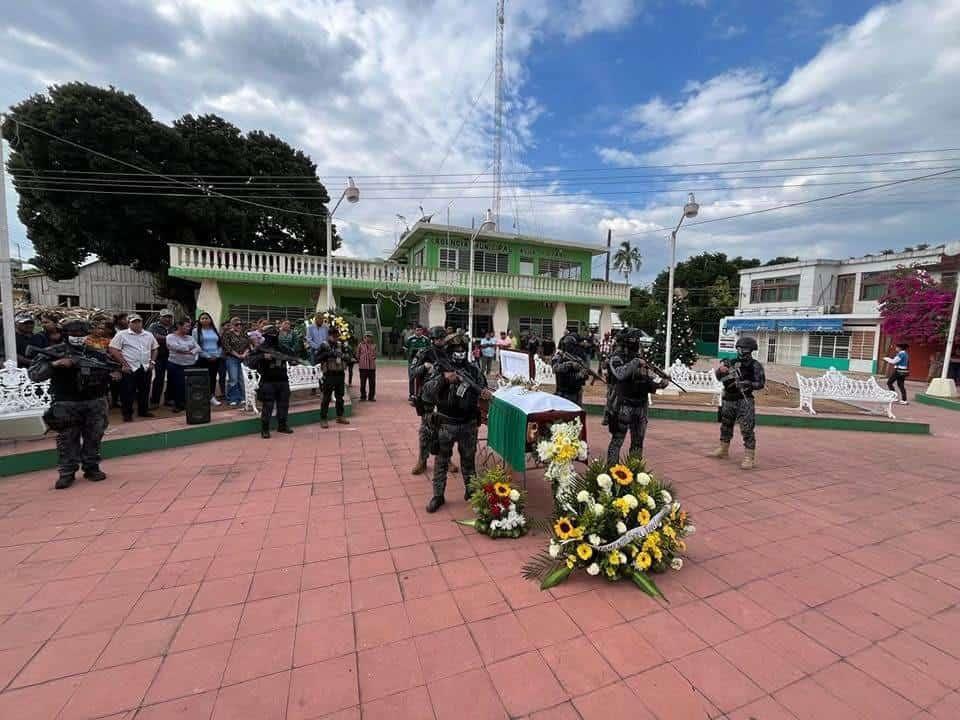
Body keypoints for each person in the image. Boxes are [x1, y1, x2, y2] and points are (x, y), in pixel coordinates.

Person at [28, 318, 119, 489]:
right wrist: (55, 364)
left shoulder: (95, 353)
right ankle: (67, 472)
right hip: (66, 403)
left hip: (94, 402)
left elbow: (108, 371)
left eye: (82, 334)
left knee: (94, 437)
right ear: (65, 334)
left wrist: (113, 375)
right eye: (73, 334)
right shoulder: (52, 352)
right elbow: (34, 374)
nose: (78, 337)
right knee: (67, 438)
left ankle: (91, 467)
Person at [421, 333, 492, 513]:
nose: (459, 353)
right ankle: (438, 495)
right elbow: (426, 391)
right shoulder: (440, 368)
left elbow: (482, 387)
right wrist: (444, 379)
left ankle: (472, 493)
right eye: (455, 349)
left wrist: (483, 393)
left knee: (468, 461)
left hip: (468, 423)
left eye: (462, 350)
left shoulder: (473, 369)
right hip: (446, 423)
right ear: (449, 350)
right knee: (442, 461)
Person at [605, 329, 669, 464]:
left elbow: (644, 381)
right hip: (623, 405)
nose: (637, 343)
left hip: (640, 405)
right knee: (617, 441)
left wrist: (659, 385)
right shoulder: (616, 357)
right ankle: (611, 473)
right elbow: (620, 374)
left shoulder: (640, 358)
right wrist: (635, 362)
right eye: (635, 340)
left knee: (638, 442)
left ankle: (634, 472)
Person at [710, 336, 766, 470]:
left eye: (744, 348)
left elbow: (761, 383)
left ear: (750, 350)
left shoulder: (755, 365)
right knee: (726, 424)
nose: (741, 351)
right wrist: (720, 371)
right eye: (739, 348)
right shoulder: (731, 362)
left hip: (744, 399)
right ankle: (723, 449)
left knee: (746, 427)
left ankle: (749, 456)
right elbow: (719, 378)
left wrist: (748, 383)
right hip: (729, 398)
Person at [410, 327, 459, 476]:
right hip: (428, 396)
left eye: (442, 338)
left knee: (446, 430)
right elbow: (412, 372)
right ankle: (422, 461)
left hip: (446, 396)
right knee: (426, 430)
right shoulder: (424, 353)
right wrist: (424, 367)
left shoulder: (449, 353)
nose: (440, 341)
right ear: (432, 339)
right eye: (437, 339)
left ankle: (447, 460)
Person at [245, 324, 295, 438]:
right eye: (270, 334)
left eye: (275, 334)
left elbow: (293, 357)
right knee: (268, 406)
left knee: (283, 405)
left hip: (282, 379)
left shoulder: (282, 347)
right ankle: (265, 429)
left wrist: (291, 359)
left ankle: (282, 425)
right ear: (265, 335)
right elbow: (249, 362)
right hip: (268, 381)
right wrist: (263, 356)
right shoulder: (261, 348)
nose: (273, 337)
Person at [108, 314, 159, 422]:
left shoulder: (148, 335)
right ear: (129, 323)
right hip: (129, 368)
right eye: (133, 322)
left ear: (142, 322)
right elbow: (113, 349)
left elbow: (155, 348)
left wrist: (152, 362)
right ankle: (127, 414)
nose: (136, 324)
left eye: (138, 321)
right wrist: (124, 364)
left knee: (144, 391)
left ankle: (143, 411)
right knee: (128, 392)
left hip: (145, 367)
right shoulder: (122, 334)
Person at [317, 325, 352, 428]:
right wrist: (329, 354)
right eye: (334, 336)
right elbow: (317, 358)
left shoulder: (341, 345)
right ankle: (323, 419)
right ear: (329, 336)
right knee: (326, 397)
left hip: (340, 373)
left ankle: (340, 416)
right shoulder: (324, 345)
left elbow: (349, 357)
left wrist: (344, 356)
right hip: (329, 374)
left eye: (337, 336)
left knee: (340, 397)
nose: (336, 338)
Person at [165, 319, 200, 412]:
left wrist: (189, 351)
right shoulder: (170, 336)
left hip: (190, 364)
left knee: (188, 385)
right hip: (176, 364)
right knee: (178, 385)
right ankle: (177, 405)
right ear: (179, 326)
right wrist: (189, 349)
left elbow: (198, 348)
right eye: (187, 326)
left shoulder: (190, 337)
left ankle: (185, 403)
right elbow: (176, 347)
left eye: (189, 326)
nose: (189, 328)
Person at [192, 312, 223, 407]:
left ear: (210, 320)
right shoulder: (195, 331)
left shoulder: (215, 330)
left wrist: (217, 355)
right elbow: (195, 345)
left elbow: (219, 344)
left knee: (213, 378)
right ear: (199, 321)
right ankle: (203, 397)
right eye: (202, 318)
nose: (205, 320)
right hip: (203, 358)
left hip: (216, 358)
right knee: (203, 379)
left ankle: (211, 397)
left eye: (207, 318)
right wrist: (207, 356)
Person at [552, 332, 590, 406]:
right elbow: (555, 368)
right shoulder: (559, 357)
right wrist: (570, 364)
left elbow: (583, 374)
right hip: (563, 392)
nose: (572, 348)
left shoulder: (578, 358)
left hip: (575, 392)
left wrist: (582, 374)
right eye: (570, 346)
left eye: (573, 346)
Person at [221, 317, 251, 407]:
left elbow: (249, 345)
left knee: (242, 379)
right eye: (236, 324)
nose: (239, 326)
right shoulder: (227, 334)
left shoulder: (244, 333)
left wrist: (245, 354)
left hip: (243, 358)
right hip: (232, 358)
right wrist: (238, 355)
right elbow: (227, 347)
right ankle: (232, 398)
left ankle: (242, 397)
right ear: (231, 325)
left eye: (240, 324)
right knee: (233, 379)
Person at [147, 309, 175, 408]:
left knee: (172, 378)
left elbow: (178, 337)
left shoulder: (174, 327)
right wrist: (170, 338)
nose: (168, 319)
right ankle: (155, 400)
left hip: (172, 356)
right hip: (159, 356)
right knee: (159, 378)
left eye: (169, 317)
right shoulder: (153, 326)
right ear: (160, 317)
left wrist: (165, 338)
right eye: (165, 316)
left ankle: (169, 399)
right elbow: (153, 337)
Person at [404, 325, 430, 401]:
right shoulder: (410, 339)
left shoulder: (426, 339)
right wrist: (409, 356)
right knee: (412, 378)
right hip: (412, 362)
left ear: (422, 331)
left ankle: (419, 394)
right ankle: (411, 394)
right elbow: (405, 349)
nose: (419, 332)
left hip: (422, 362)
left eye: (420, 330)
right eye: (417, 330)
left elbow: (429, 349)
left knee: (421, 378)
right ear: (415, 331)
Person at [357, 331, 377, 402]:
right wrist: (360, 361)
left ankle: (371, 397)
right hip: (363, 367)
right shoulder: (360, 345)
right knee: (363, 383)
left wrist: (372, 357)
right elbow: (358, 355)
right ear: (364, 337)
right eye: (367, 336)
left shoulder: (374, 345)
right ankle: (363, 396)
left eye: (370, 337)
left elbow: (375, 355)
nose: (368, 338)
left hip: (371, 367)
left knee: (372, 383)